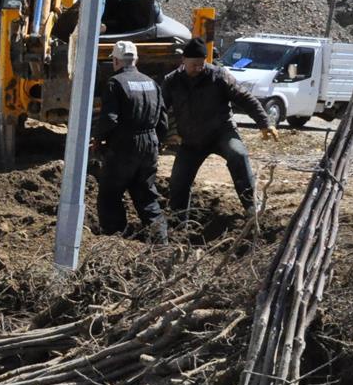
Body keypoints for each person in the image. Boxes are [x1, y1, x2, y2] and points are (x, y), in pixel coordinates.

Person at [163, 36, 278, 220]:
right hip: (192, 140)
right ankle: (178, 220)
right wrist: (159, 136)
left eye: (201, 64)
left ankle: (251, 207)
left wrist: (264, 123)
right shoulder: (172, 81)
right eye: (194, 64)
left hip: (221, 133)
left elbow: (244, 98)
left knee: (238, 154)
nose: (198, 68)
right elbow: (160, 109)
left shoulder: (219, 76)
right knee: (178, 182)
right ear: (183, 60)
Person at [94, 40, 168, 243]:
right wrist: (156, 144)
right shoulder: (151, 83)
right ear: (136, 59)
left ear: (116, 60)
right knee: (146, 196)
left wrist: (98, 140)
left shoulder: (115, 83)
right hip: (150, 144)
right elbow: (163, 120)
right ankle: (162, 243)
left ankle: (113, 243)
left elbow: (110, 119)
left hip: (124, 146)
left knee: (110, 195)